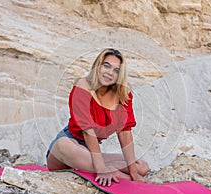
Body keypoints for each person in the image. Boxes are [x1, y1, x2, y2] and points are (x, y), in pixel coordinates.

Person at [46, 48, 149, 186]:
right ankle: (113, 172)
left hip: (91, 151)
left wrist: (134, 173)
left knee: (141, 166)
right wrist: (101, 169)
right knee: (63, 144)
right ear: (98, 65)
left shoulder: (123, 93)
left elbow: (125, 133)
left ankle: (107, 169)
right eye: (106, 66)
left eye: (116, 70)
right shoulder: (82, 86)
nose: (110, 73)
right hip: (68, 147)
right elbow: (88, 132)